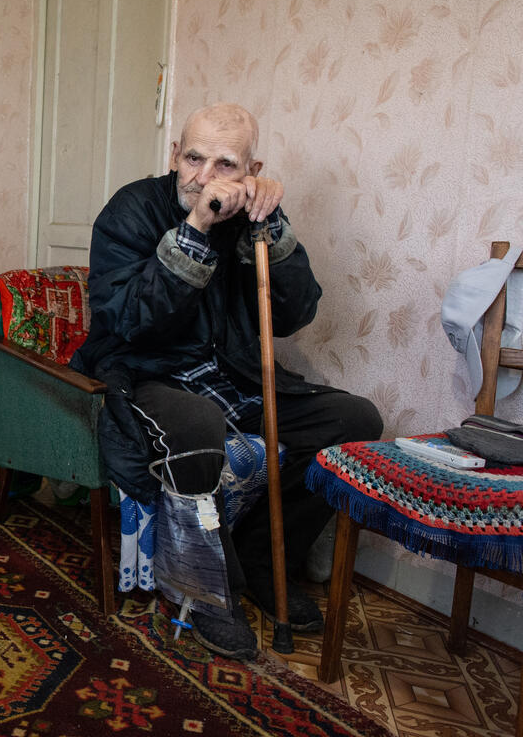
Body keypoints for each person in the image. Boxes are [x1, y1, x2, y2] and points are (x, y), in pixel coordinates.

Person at [70, 103, 383, 660]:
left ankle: (264, 557)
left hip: (232, 370)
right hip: (143, 369)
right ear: (174, 155)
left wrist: (275, 231)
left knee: (355, 421)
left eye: (225, 164)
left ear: (251, 170)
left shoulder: (253, 217)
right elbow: (128, 321)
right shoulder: (131, 209)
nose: (205, 177)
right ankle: (207, 591)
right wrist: (195, 229)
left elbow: (294, 314)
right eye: (194, 158)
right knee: (198, 423)